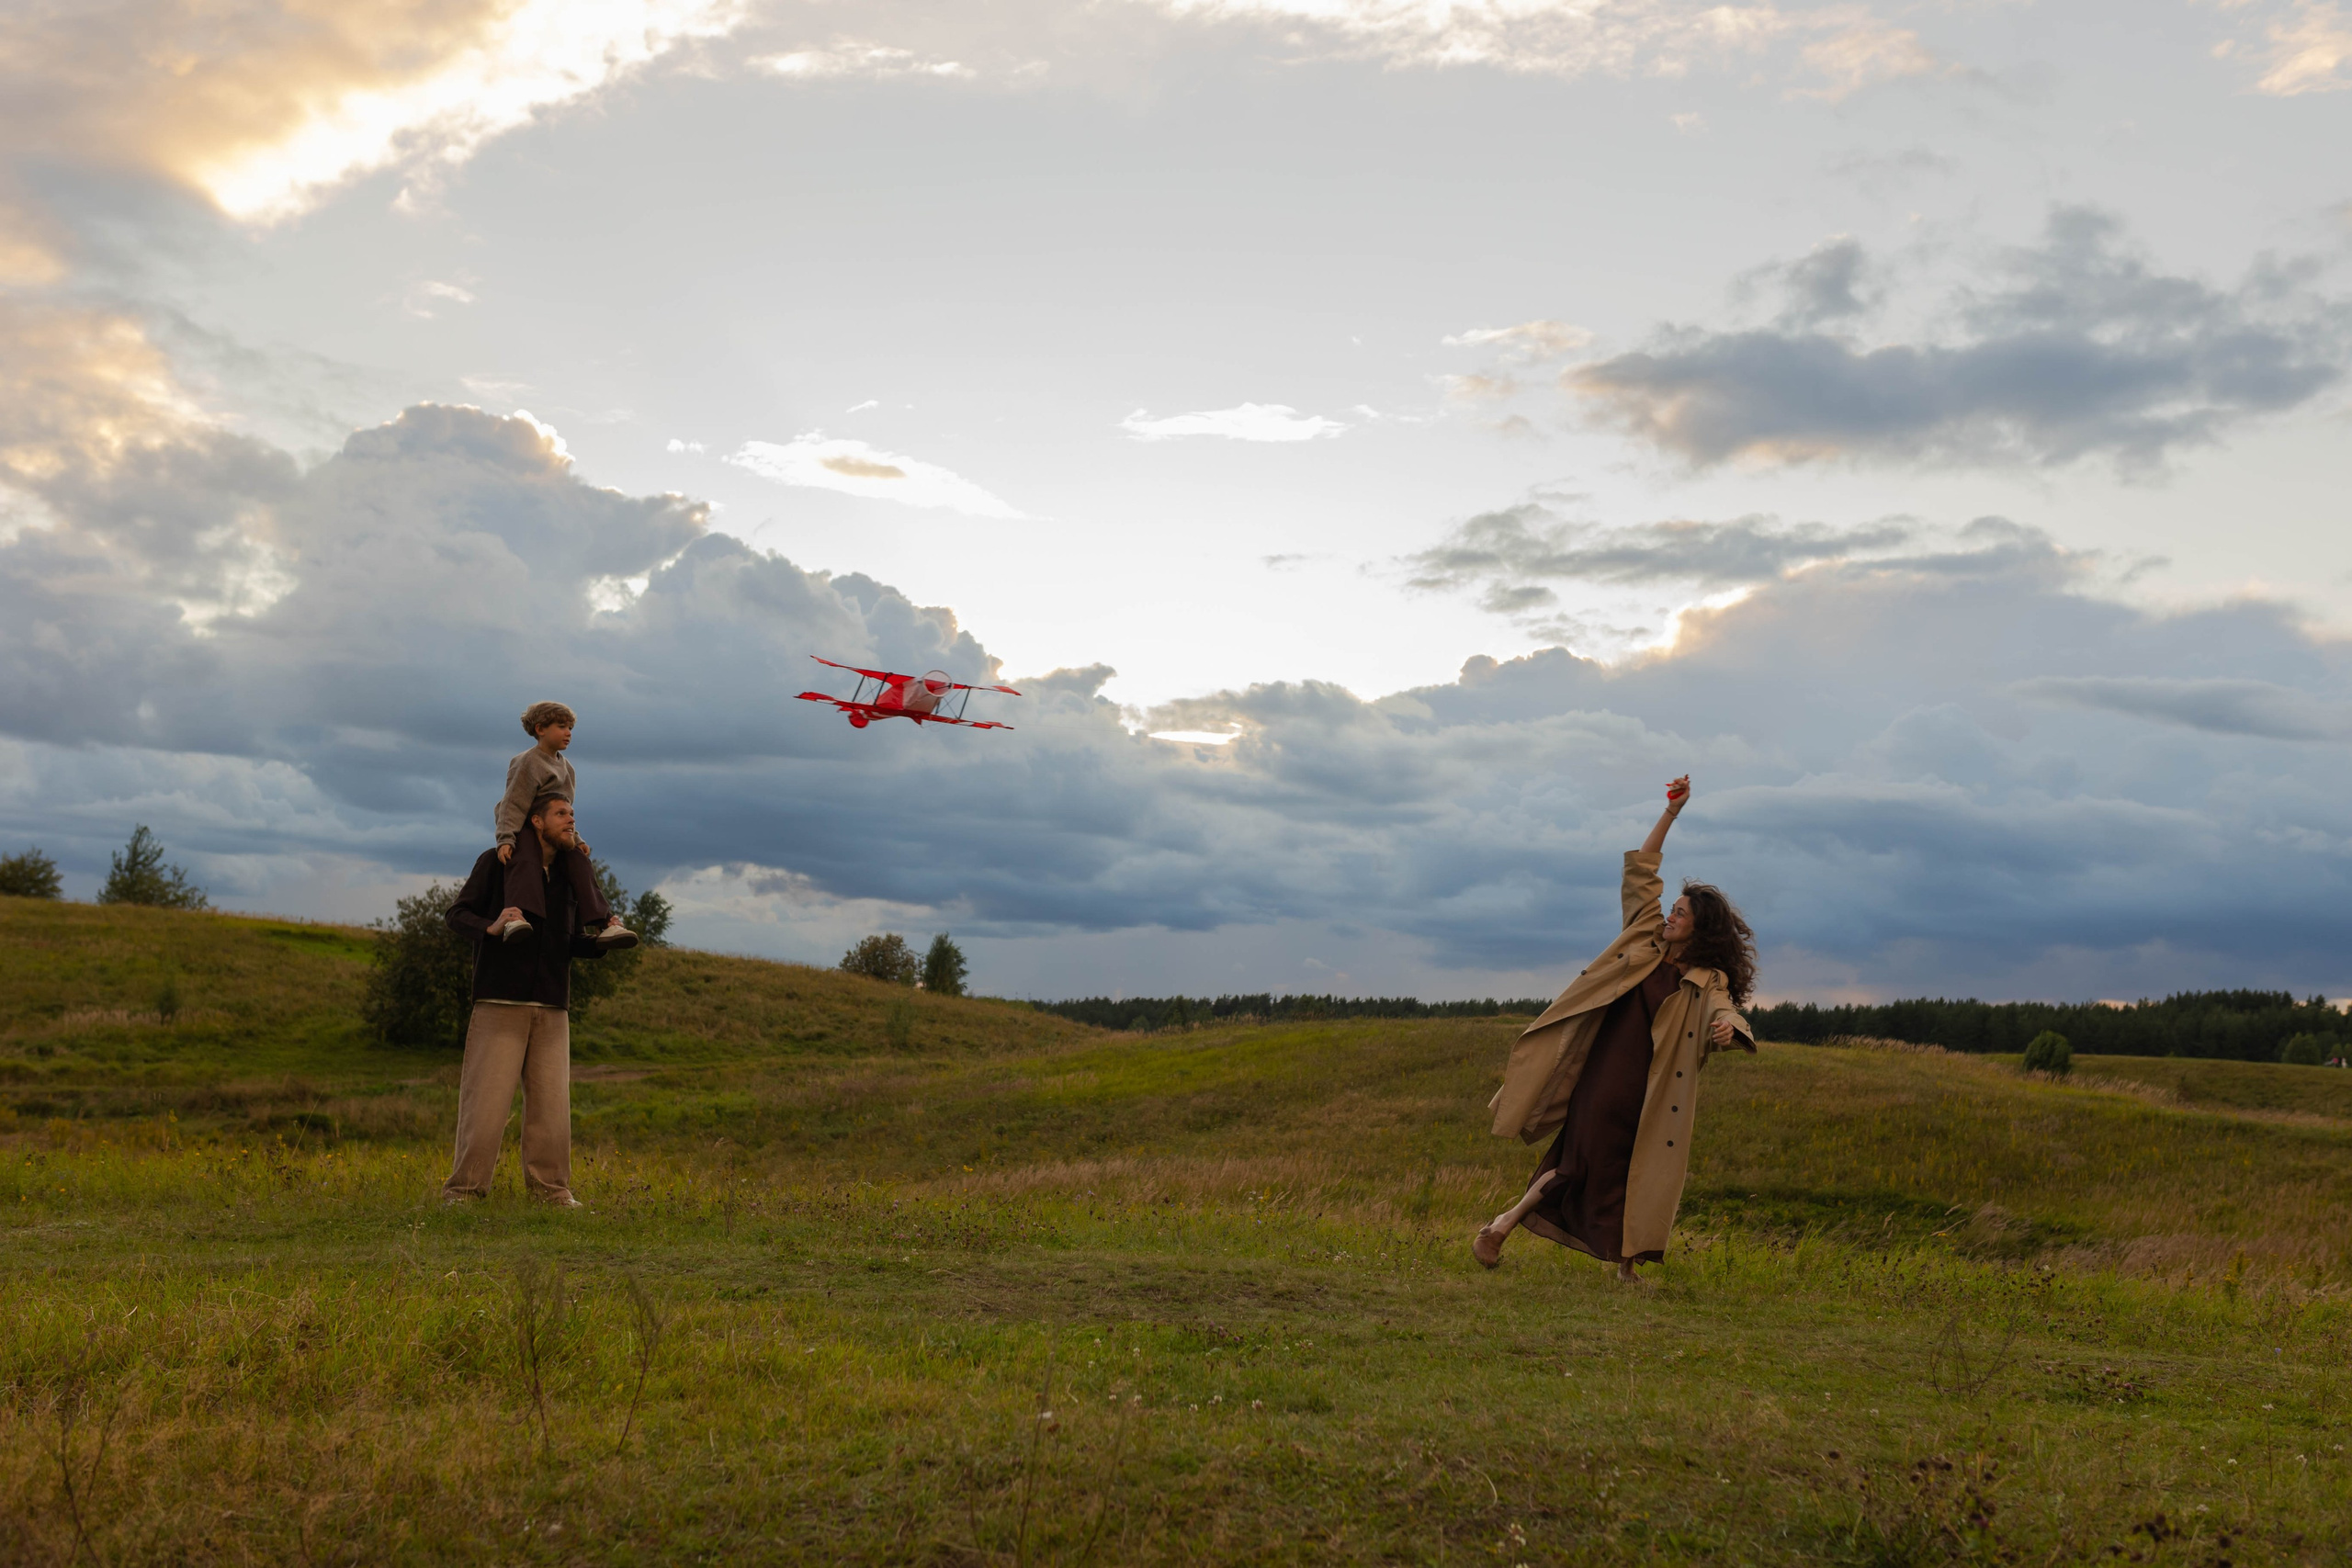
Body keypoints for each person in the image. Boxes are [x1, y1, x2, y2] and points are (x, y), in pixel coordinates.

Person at [1475, 774, 1756, 1280]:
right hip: (1605, 1072)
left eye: (1681, 913)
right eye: (1671, 908)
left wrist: (1730, 1030)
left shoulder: (1706, 977)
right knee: (1578, 1159)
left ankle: (1625, 1268)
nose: (1670, 915)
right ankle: (1501, 1226)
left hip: (1652, 1089)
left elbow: (1724, 1007)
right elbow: (1642, 871)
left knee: (1636, 1170)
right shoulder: (1643, 936)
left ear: (1700, 928)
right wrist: (1671, 812)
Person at [441, 794, 618, 1206]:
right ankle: (464, 1192)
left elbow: (568, 941)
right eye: (562, 813)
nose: (571, 819)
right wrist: (492, 926)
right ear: (536, 821)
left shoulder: (569, 873)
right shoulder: (496, 862)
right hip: (500, 1003)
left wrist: (603, 940)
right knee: (485, 1107)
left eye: (572, 812)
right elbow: (456, 915)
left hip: (553, 1006)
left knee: (552, 1110)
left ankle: (552, 1193)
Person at [493, 700, 634, 948]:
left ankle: (604, 923)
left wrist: (576, 839)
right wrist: (506, 838)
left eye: (570, 728)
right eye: (561, 726)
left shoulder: (567, 768)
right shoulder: (527, 762)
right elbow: (512, 804)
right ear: (540, 729)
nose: (568, 733)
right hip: (528, 825)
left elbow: (564, 810)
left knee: (580, 862)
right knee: (524, 858)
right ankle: (515, 918)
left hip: (553, 830)